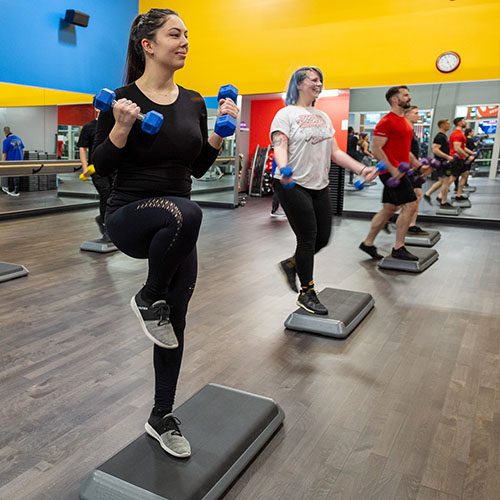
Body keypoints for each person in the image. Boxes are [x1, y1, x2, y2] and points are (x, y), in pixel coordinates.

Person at [92, 8, 238, 458]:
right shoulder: (120, 99)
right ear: (148, 45)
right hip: (130, 215)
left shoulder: (194, 102)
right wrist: (119, 128)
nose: (185, 41)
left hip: (176, 222)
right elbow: (101, 166)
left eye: (187, 34)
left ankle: (162, 415)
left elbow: (193, 169)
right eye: (175, 34)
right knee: (187, 212)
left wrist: (219, 135)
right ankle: (146, 295)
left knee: (173, 322)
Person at [271, 67, 378, 315]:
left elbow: (336, 153)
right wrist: (284, 166)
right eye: (314, 80)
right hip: (292, 183)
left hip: (319, 183)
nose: (319, 84)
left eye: (321, 80)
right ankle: (306, 292)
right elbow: (279, 143)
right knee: (307, 236)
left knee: (323, 237)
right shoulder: (285, 114)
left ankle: (292, 264)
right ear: (299, 83)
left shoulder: (323, 117)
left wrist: (362, 169)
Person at [359, 86, 428, 262]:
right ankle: (399, 247)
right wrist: (392, 169)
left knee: (389, 209)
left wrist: (419, 166)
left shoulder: (404, 122)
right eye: (405, 95)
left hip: (399, 170)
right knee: (411, 205)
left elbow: (406, 151)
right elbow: (376, 148)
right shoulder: (386, 121)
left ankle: (367, 243)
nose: (409, 97)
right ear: (395, 99)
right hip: (391, 172)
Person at [77, 109, 114, 239]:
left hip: (113, 167)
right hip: (96, 168)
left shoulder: (113, 124)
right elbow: (82, 147)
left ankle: (104, 220)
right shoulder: (89, 127)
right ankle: (106, 226)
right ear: (95, 108)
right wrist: (84, 166)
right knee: (106, 194)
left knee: (113, 196)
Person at [437, 117, 476, 207]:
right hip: (456, 159)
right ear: (459, 123)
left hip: (460, 158)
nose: (465, 122)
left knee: (465, 174)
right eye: (463, 121)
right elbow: (457, 148)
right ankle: (440, 196)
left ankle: (458, 195)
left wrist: (471, 153)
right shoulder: (457, 134)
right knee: (452, 178)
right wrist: (467, 156)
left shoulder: (460, 133)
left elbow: (462, 147)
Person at [403, 105, 427, 234]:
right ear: (407, 114)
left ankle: (411, 224)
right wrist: (416, 165)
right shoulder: (405, 130)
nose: (418, 115)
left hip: (413, 167)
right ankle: (387, 217)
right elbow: (405, 151)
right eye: (415, 113)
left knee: (417, 196)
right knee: (408, 199)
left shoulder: (411, 130)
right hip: (407, 167)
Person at [423, 119, 454, 204]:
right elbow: (435, 150)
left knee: (441, 182)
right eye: (447, 124)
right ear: (442, 125)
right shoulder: (439, 137)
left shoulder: (443, 136)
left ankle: (427, 194)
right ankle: (443, 201)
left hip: (443, 162)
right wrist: (447, 157)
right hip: (442, 162)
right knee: (445, 182)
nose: (449, 125)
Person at [2, 126, 24, 197]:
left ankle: (15, 191)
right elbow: (23, 150)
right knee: (16, 175)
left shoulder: (6, 140)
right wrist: (21, 159)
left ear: (5, 132)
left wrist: (3, 163)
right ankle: (13, 189)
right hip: (19, 160)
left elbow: (4, 153)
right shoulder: (19, 138)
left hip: (11, 161)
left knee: (13, 175)